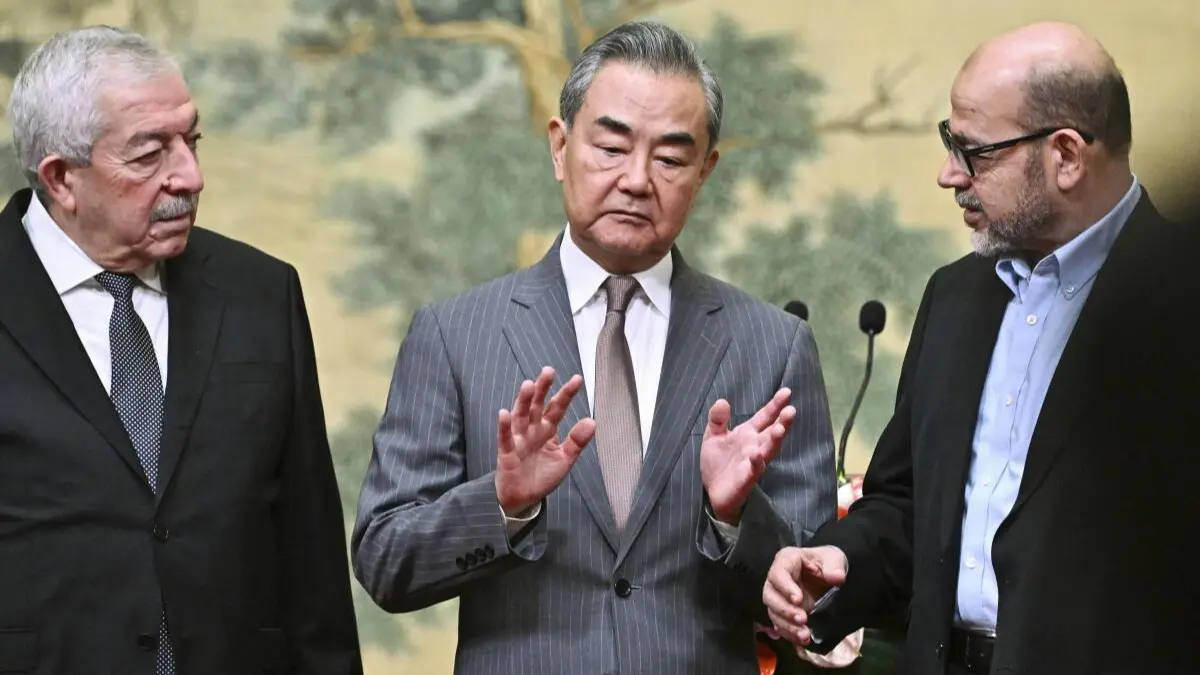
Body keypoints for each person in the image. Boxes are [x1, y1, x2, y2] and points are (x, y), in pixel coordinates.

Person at [351, 20, 837, 675]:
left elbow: (819, 590)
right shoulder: (454, 334)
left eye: (669, 157)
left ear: (705, 170)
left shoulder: (772, 345)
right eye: (610, 146)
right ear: (560, 146)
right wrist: (504, 502)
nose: (637, 179)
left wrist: (734, 516)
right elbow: (386, 560)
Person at [763, 21, 1200, 675]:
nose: (948, 174)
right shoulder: (956, 297)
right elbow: (909, 501)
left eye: (974, 152)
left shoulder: (1176, 303)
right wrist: (844, 558)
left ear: (1067, 156)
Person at [0, 26, 363, 674]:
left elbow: (312, 572)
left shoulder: (261, 293)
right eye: (149, 155)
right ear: (61, 178)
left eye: (191, 141)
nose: (189, 176)